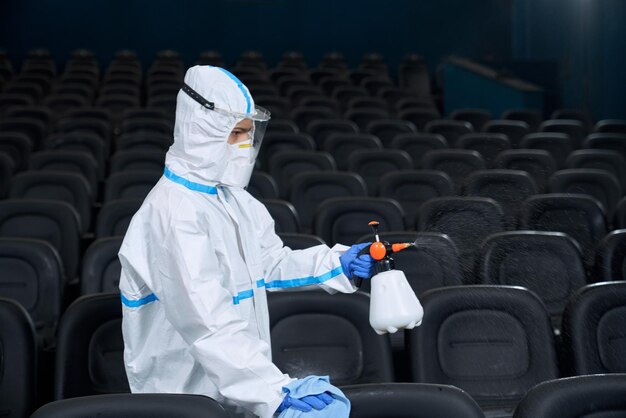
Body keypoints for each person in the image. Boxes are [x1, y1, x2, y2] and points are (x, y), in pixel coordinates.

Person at [118, 65, 375, 418]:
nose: (246, 145)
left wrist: (335, 262)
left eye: (249, 133)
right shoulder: (172, 214)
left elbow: (268, 265)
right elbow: (208, 323)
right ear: (200, 132)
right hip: (183, 402)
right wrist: (274, 393)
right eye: (236, 133)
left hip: (240, 394)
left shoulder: (233, 199)